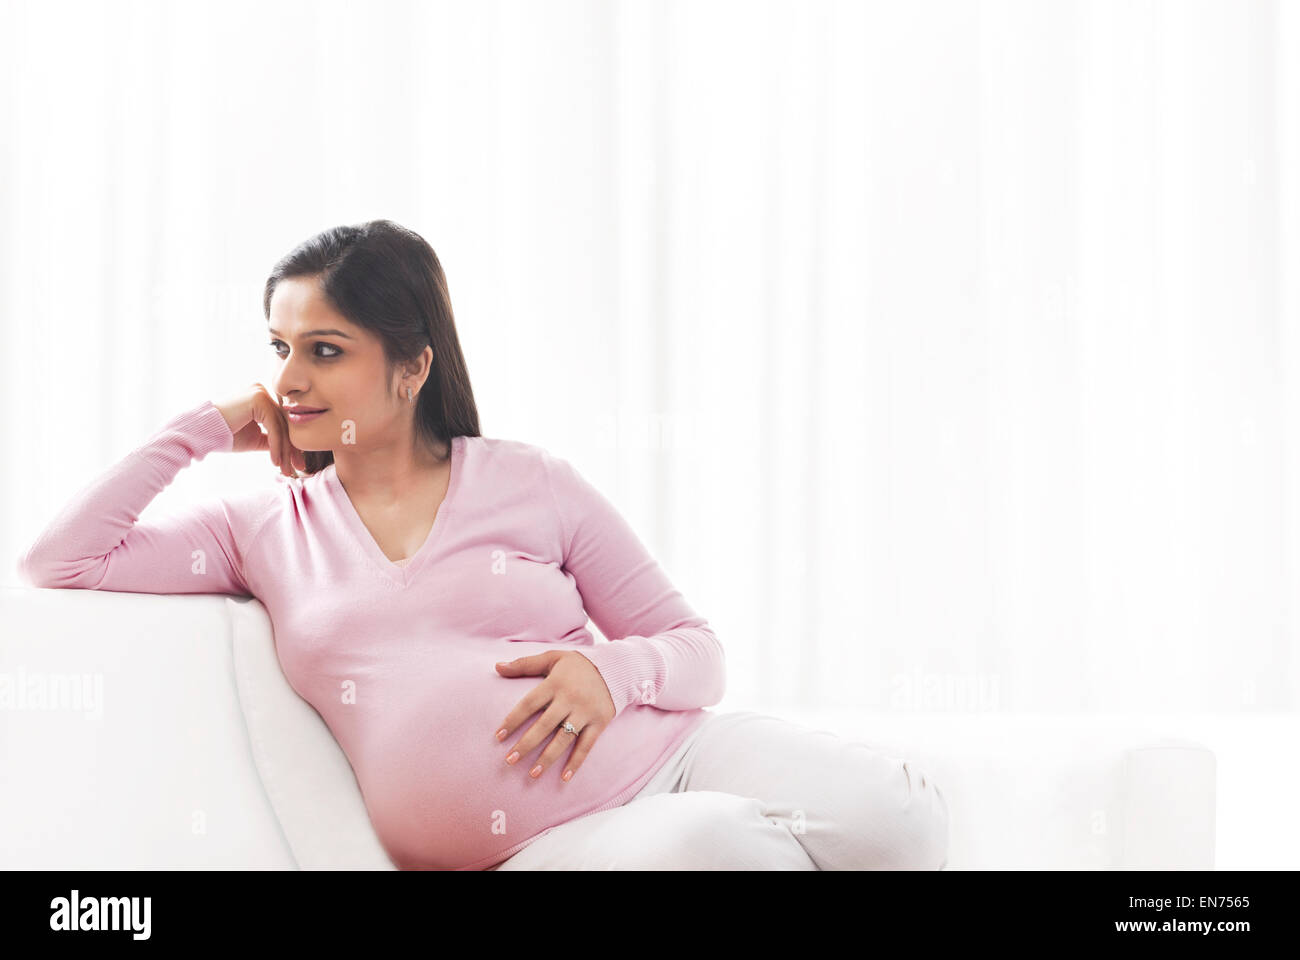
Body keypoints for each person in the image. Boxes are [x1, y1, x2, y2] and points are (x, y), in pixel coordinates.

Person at [16, 219, 949, 870]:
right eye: (280, 349)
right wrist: (204, 428)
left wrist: (612, 676)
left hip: (670, 753)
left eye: (326, 350)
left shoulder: (531, 480)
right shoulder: (258, 530)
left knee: (899, 821)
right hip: (537, 849)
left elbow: (700, 656)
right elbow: (61, 560)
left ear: (413, 365)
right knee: (715, 846)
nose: (291, 381)